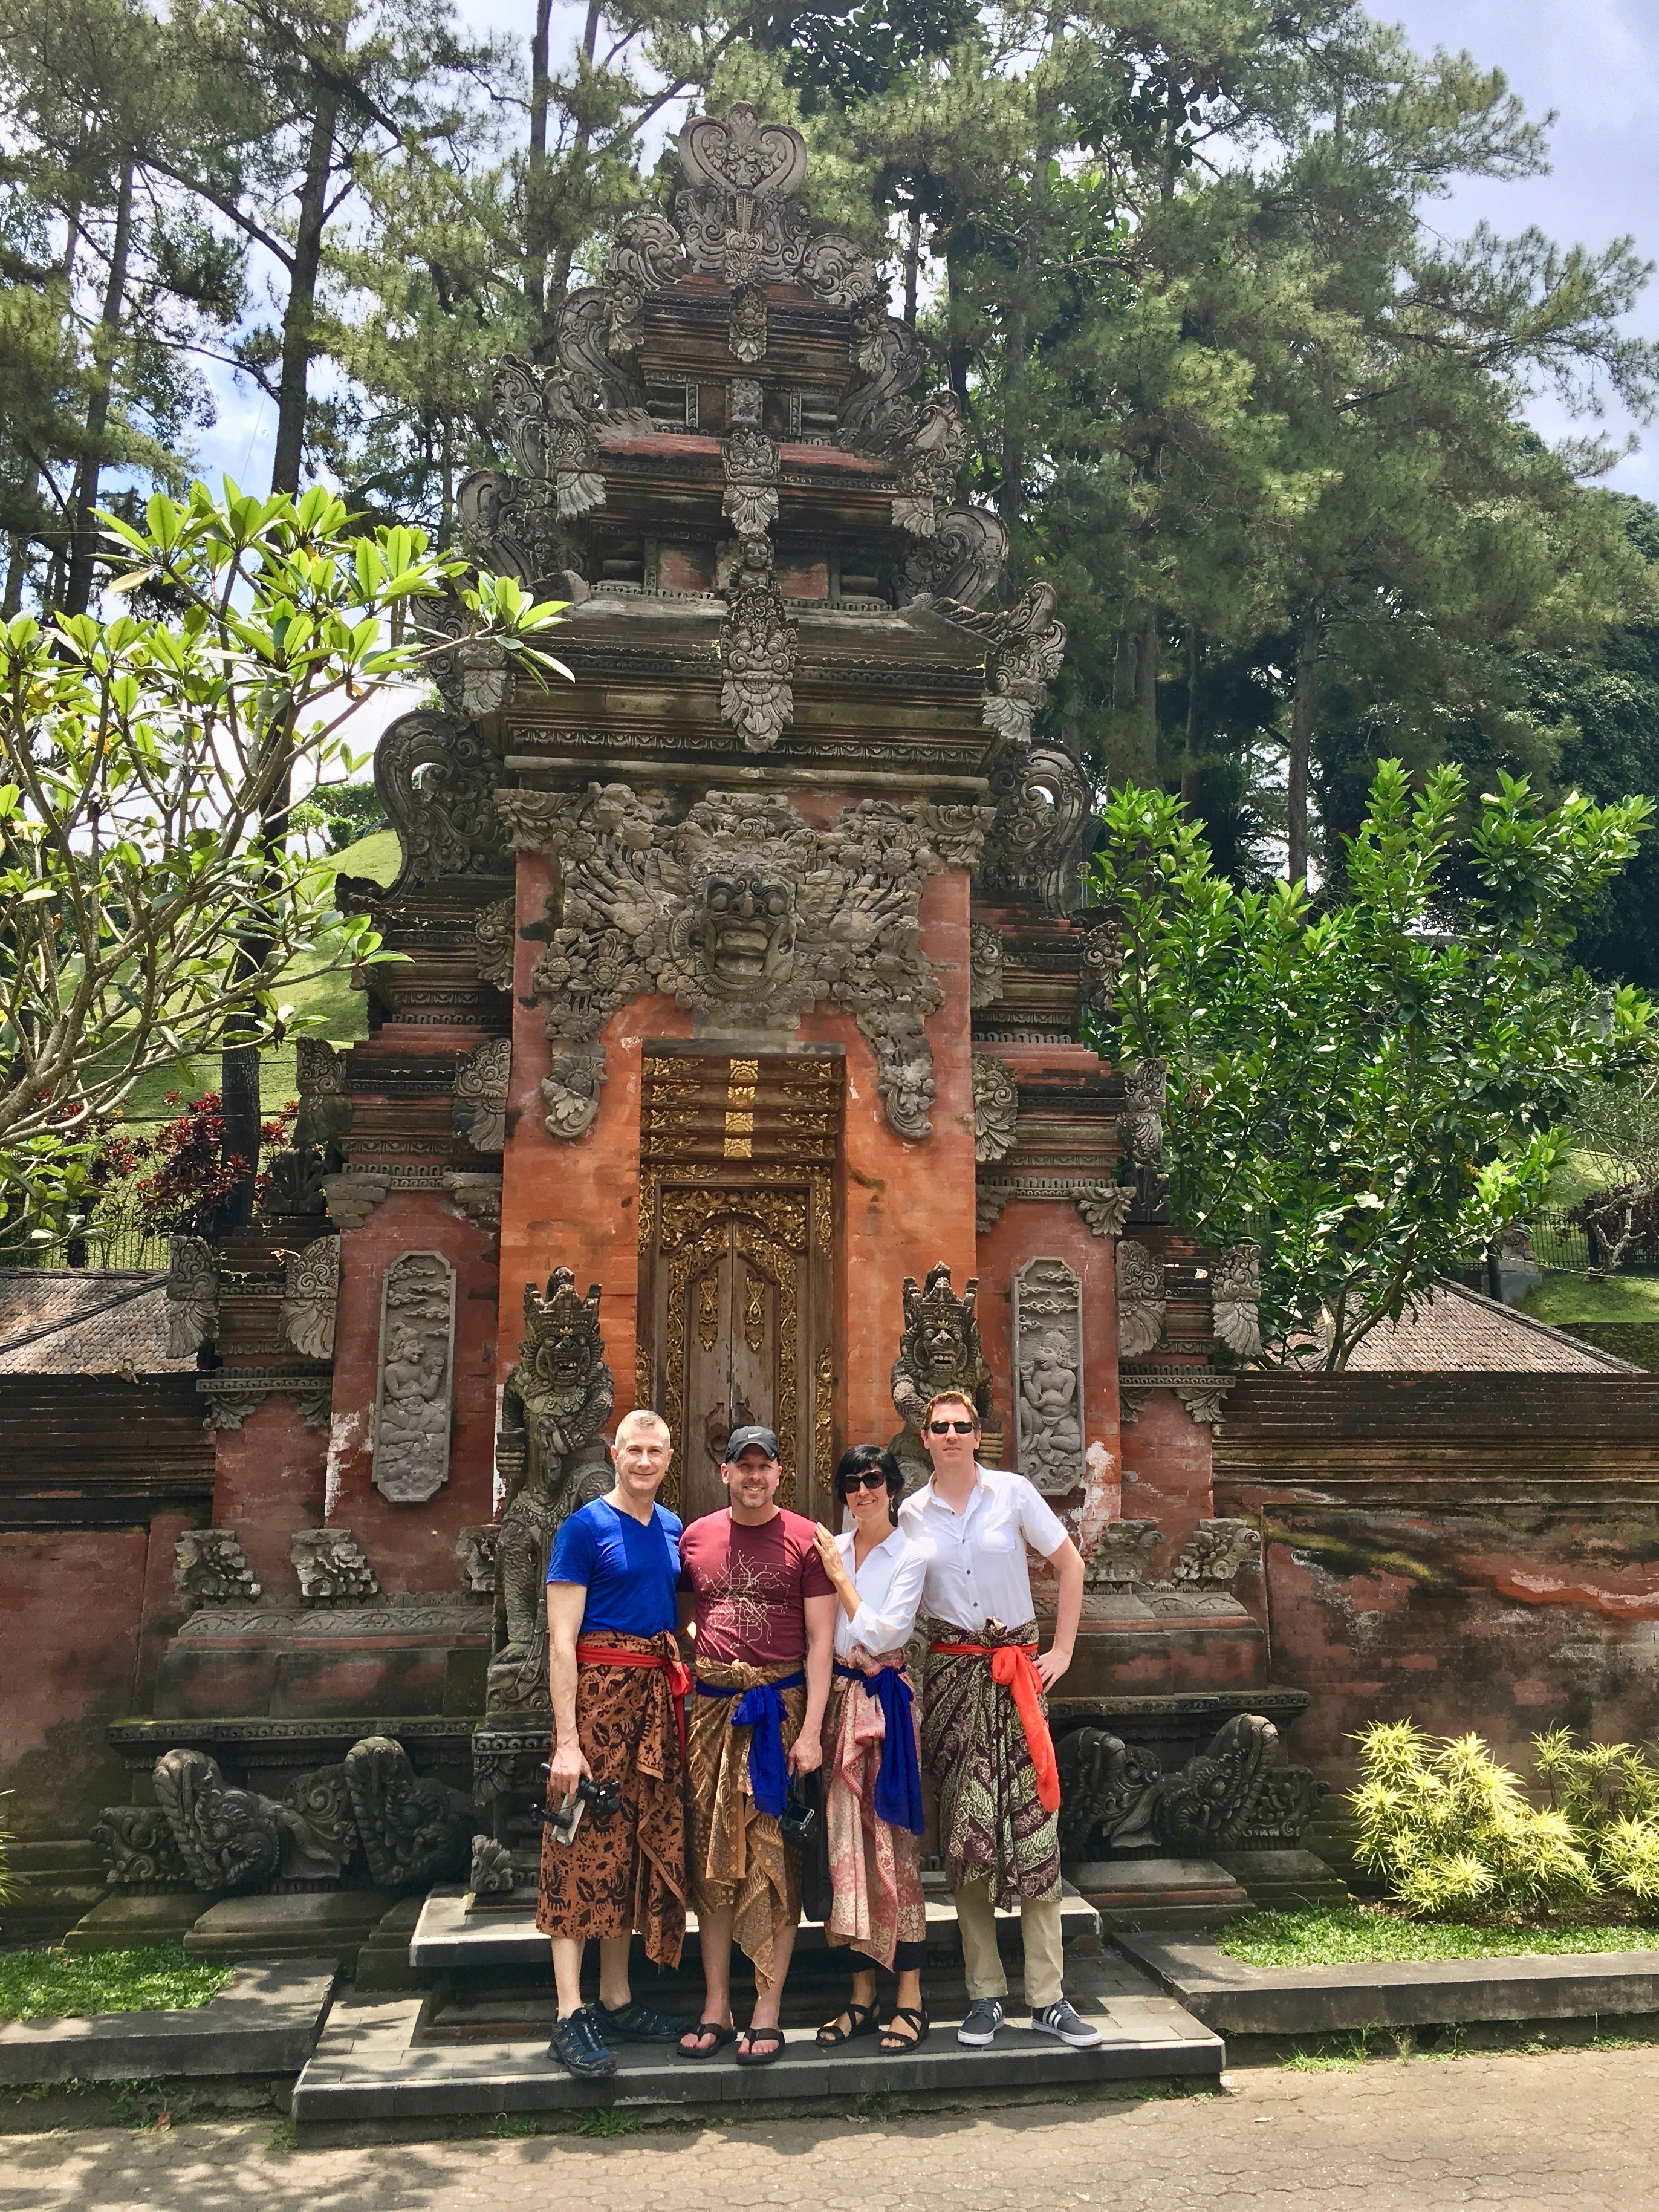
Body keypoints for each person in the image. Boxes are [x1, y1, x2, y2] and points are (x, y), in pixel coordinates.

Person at [900, 1388, 1103, 2050]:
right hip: (954, 1684)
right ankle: (984, 1994)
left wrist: (1062, 1651)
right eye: (940, 1426)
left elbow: (1070, 1564)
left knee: (1035, 1831)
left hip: (1018, 1681)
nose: (951, 1435)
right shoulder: (911, 1512)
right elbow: (900, 1601)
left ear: (977, 1433)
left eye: (961, 1425)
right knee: (968, 1841)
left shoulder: (1012, 1494)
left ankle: (1047, 1997)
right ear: (925, 1437)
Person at [537, 1407, 690, 2079]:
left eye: (655, 1451)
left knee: (627, 1847)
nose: (644, 1461)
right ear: (615, 1454)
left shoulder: (672, 1528)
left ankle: (617, 1996)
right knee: (575, 1846)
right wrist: (567, 1742)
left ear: (668, 1458)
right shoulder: (583, 1528)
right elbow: (561, 1641)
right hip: (595, 1707)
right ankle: (569, 2011)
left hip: (651, 1708)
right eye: (633, 1450)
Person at [675, 1425, 836, 2065]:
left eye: (762, 1465)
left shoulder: (805, 1538)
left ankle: (767, 2008)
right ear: (724, 1473)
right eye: (742, 1466)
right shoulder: (694, 1537)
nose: (752, 1476)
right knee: (713, 1857)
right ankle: (717, 2003)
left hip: (779, 1714)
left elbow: (821, 1641)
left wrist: (812, 1730)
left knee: (775, 1858)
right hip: (714, 1713)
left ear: (777, 1473)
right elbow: (682, 1623)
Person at [811, 1443, 930, 2055]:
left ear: (892, 1486)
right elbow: (819, 1633)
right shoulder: (832, 1545)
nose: (863, 1491)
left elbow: (886, 1632)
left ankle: (910, 1999)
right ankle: (862, 1997)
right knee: (845, 1855)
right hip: (838, 1704)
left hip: (885, 1709)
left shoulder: (910, 1553)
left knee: (893, 1848)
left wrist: (839, 1578)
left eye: (874, 1479)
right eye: (852, 1483)